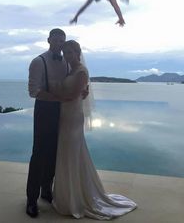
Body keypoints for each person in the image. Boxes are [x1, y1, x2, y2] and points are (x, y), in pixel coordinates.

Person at [51, 40, 137, 220]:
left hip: (73, 117)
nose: (67, 56)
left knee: (72, 154)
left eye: (70, 52)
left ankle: (78, 198)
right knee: (67, 154)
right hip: (64, 116)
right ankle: (68, 196)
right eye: (65, 52)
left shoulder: (81, 71)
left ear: (78, 52)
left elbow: (72, 95)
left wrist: (50, 95)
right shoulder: (71, 70)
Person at [26, 28, 68, 218]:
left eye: (62, 41)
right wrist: (58, 98)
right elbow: (34, 91)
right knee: (39, 153)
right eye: (56, 40)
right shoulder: (38, 61)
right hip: (44, 109)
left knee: (54, 151)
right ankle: (31, 199)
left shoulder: (67, 62)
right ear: (48, 40)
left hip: (63, 110)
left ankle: (46, 190)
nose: (59, 43)